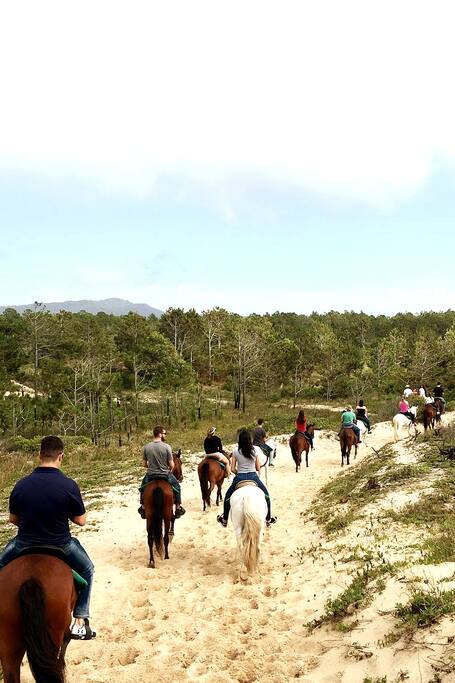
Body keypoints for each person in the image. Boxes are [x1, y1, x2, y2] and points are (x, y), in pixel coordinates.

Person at [0, 436, 96, 640]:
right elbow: (80, 521)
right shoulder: (69, 485)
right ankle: (80, 620)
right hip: (61, 544)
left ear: (39, 455)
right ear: (60, 456)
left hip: (24, 543)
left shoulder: (21, 484)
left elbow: (13, 519)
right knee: (88, 569)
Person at [217, 429, 276, 527]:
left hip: (240, 477)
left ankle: (225, 519)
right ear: (249, 440)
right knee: (266, 496)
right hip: (253, 477)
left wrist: (238, 472)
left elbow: (232, 469)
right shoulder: (254, 451)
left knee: (227, 497)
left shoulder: (235, 451)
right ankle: (269, 518)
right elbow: (258, 468)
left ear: (240, 440)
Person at [138, 426, 185, 519]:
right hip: (165, 474)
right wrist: (168, 468)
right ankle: (178, 507)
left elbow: (144, 464)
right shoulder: (167, 447)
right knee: (177, 487)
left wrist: (151, 467)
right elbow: (172, 465)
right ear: (160, 434)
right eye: (164, 433)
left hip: (151, 474)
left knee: (142, 487)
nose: (165, 435)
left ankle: (143, 507)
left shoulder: (146, 447)